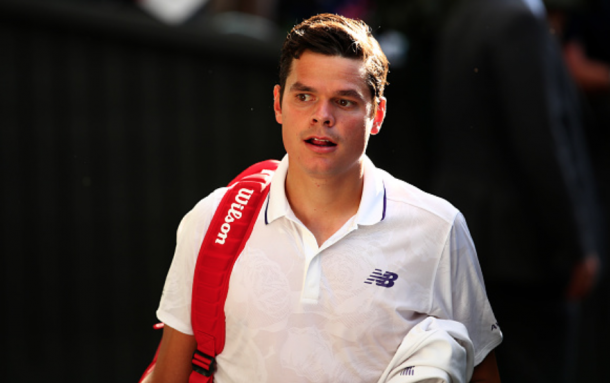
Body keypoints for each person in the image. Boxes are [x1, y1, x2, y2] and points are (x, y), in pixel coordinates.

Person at [144, 13, 502, 383]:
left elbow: (482, 374)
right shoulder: (211, 219)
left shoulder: (438, 229)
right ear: (278, 104)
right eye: (304, 96)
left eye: (344, 102)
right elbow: (171, 372)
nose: (322, 116)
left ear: (377, 115)